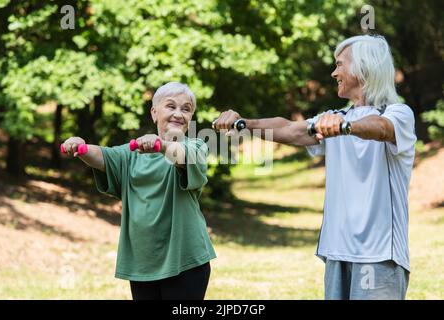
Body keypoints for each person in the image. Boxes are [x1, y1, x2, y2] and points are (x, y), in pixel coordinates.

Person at [214, 35, 416, 300]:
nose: (334, 72)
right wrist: (244, 123)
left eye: (340, 64)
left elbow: (381, 129)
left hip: (377, 256)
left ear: (364, 67)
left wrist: (345, 128)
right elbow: (288, 128)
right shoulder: (336, 118)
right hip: (336, 253)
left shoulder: (397, 114)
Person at [62, 82, 216, 300]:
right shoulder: (131, 154)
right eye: (171, 106)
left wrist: (161, 145)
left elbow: (182, 155)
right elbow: (103, 156)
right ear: (154, 112)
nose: (179, 114)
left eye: (186, 109)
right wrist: (80, 146)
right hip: (143, 263)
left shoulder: (196, 146)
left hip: (186, 260)